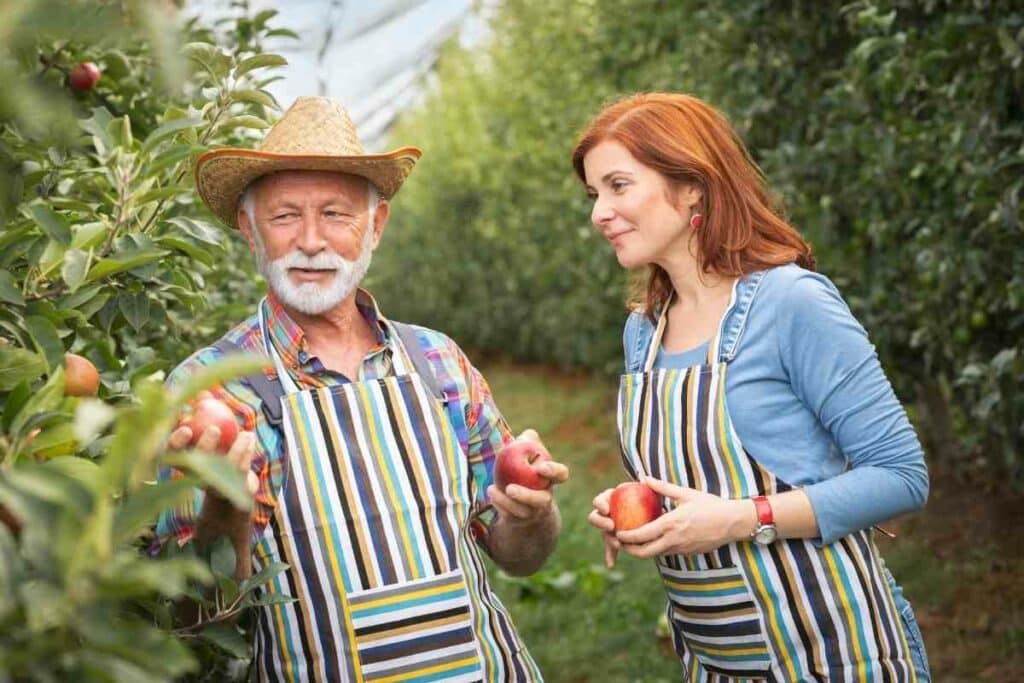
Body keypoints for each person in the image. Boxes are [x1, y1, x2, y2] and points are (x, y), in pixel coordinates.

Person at [154, 97, 566, 682]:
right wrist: (226, 510)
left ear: (375, 225)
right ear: (250, 229)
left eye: (337, 214)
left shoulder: (439, 362)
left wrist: (532, 517)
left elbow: (520, 557)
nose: (312, 241)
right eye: (285, 216)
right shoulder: (211, 390)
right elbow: (194, 611)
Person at [578, 93, 930, 681]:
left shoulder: (790, 302)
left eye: (618, 185)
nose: (599, 214)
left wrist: (744, 518)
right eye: (594, 195)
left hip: (834, 653)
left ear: (691, 184)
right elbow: (705, 485)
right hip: (717, 663)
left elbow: (902, 476)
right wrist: (644, 508)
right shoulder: (643, 330)